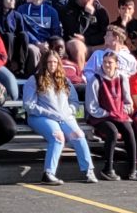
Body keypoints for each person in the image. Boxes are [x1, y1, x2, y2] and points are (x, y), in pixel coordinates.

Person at [22, 57, 96, 185]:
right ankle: (48, 174)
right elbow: (29, 105)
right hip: (40, 117)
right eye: (49, 61)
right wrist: (51, 114)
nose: (52, 64)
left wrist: (70, 111)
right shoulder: (34, 79)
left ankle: (88, 170)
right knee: (58, 137)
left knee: (79, 135)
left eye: (55, 62)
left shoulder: (64, 80)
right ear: (44, 63)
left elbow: (74, 101)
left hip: (64, 117)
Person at [85, 51, 137, 180]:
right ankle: (107, 169)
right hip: (101, 117)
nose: (107, 65)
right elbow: (91, 106)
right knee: (112, 132)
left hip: (118, 114)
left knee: (129, 131)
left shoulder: (122, 78)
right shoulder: (95, 80)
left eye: (110, 62)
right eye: (105, 62)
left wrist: (122, 110)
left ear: (116, 64)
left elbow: (127, 101)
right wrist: (108, 113)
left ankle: (133, 168)